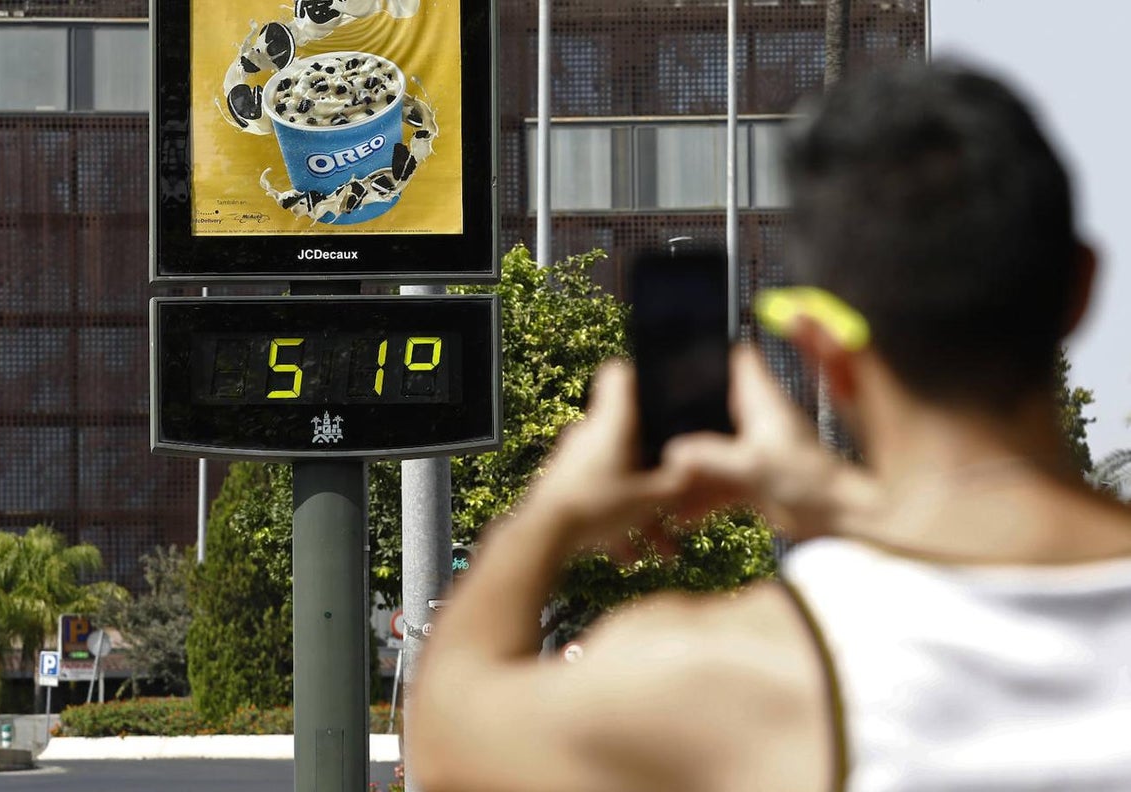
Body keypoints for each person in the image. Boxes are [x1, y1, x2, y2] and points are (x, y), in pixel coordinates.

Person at [407, 61, 1131, 792]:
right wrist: (843, 500)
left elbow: (447, 742)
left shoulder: (748, 671)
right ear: (1081, 288)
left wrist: (551, 512)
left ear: (822, 349)